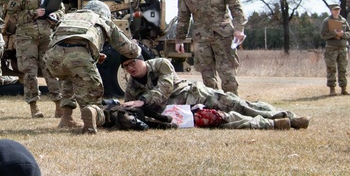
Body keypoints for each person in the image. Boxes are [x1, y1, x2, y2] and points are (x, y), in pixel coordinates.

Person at [118, 53, 310, 130]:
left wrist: (142, 101)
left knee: (241, 105)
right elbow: (129, 106)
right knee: (228, 121)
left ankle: (287, 116)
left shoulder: (161, 64)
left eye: (132, 62)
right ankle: (277, 123)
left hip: (198, 94)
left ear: (142, 59)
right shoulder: (132, 85)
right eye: (126, 66)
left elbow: (165, 88)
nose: (130, 68)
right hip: (186, 112)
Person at [43, 0, 141, 133]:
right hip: (78, 57)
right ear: (104, 13)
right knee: (93, 98)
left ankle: (66, 118)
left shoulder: (69, 16)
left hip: (52, 59)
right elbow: (129, 50)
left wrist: (93, 55)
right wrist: (136, 47)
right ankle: (93, 115)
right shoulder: (103, 20)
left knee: (68, 77)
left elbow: (66, 40)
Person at [174, 0, 247, 95]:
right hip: (201, 38)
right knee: (207, 78)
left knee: (227, 75)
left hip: (222, 35)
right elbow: (183, 15)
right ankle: (214, 110)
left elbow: (235, 4)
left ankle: (233, 106)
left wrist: (239, 28)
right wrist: (179, 39)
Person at [7, 0, 62, 119]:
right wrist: (33, 13)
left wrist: (55, 17)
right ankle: (34, 107)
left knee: (51, 69)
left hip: (46, 35)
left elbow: (61, 9)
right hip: (26, 38)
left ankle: (58, 105)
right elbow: (12, 16)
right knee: (29, 72)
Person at [320, 2, 350, 96]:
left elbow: (349, 32)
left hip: (343, 48)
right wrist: (334, 34)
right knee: (331, 68)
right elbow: (323, 35)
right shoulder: (326, 21)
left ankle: (343, 89)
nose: (336, 11)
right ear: (331, 11)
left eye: (338, 9)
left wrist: (343, 34)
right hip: (331, 48)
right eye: (334, 10)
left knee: (343, 69)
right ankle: (332, 89)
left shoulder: (343, 20)